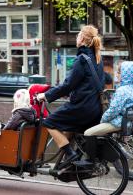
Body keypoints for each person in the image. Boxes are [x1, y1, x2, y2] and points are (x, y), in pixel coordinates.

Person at [37, 25, 104, 167]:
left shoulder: (81, 59)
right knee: (69, 127)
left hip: (82, 107)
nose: (76, 37)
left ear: (83, 39)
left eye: (78, 34)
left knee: (49, 122)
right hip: (95, 108)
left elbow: (68, 85)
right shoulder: (97, 59)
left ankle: (70, 154)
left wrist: (46, 95)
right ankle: (67, 163)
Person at [84, 61, 133, 136]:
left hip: (117, 122)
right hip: (125, 121)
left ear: (126, 74)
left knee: (87, 133)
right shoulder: (132, 88)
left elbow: (114, 110)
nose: (116, 75)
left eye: (119, 73)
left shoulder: (122, 90)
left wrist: (103, 119)